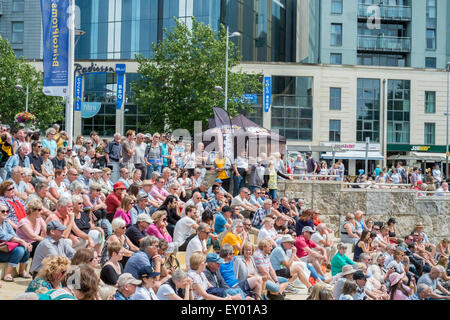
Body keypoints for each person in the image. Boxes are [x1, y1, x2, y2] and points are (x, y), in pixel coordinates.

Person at [0, 203, 32, 281]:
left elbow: (15, 235)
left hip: (6, 249)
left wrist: (25, 243)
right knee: (20, 250)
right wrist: (21, 241)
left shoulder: (6, 224)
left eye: (7, 211)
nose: (5, 213)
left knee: (26, 247)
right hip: (1, 251)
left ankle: (22, 271)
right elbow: (3, 236)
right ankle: (8, 274)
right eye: (3, 211)